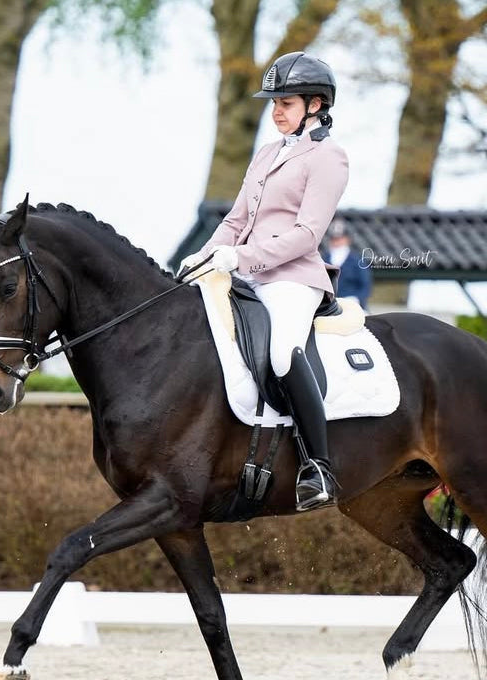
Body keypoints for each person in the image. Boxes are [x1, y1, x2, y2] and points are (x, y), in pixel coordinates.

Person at [181, 51, 348, 512]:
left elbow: (307, 233)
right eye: (274, 103)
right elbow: (236, 220)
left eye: (286, 103)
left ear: (315, 104)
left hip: (293, 277)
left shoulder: (329, 157)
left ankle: (319, 468)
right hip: (244, 272)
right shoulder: (267, 153)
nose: (276, 111)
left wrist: (242, 257)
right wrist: (205, 255)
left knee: (281, 353)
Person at [322, 217, 372, 310]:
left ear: (347, 239)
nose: (336, 242)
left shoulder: (357, 261)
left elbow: (365, 285)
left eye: (340, 239)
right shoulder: (324, 259)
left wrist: (357, 299)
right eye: (333, 239)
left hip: (352, 304)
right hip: (329, 306)